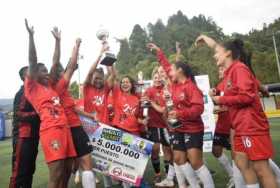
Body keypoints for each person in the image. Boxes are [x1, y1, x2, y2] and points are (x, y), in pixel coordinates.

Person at [195, 35, 278, 188]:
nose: (214, 55)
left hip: (252, 125)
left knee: (261, 169)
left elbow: (247, 96)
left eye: (217, 52)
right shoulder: (229, 72)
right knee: (241, 163)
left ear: (228, 53)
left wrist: (221, 100)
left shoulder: (239, 69)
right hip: (240, 127)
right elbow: (217, 49)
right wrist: (215, 91)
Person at [147, 43, 215, 188]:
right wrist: (159, 52)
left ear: (180, 71)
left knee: (196, 162)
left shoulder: (191, 87)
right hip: (178, 129)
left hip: (192, 129)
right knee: (178, 158)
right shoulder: (174, 83)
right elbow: (166, 66)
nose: (168, 72)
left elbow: (199, 108)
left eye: (172, 69)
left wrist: (179, 113)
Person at [24, 19, 76, 188]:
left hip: (65, 129)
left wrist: (58, 41)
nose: (47, 73)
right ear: (34, 74)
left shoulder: (51, 88)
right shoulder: (32, 87)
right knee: (56, 173)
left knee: (69, 169)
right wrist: (31, 37)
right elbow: (32, 60)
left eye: (47, 71)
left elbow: (55, 62)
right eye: (43, 71)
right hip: (51, 130)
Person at [49, 27, 96, 188]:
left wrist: (90, 116)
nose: (65, 73)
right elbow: (68, 65)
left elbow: (73, 108)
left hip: (73, 128)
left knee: (79, 165)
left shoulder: (62, 90)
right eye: (60, 71)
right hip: (67, 130)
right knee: (74, 166)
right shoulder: (57, 86)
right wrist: (75, 46)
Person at [83, 43, 116, 188]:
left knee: (107, 160)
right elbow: (90, 72)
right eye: (95, 78)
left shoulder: (105, 88)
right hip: (90, 129)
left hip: (106, 128)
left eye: (100, 78)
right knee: (95, 161)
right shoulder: (87, 88)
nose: (97, 80)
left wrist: (108, 55)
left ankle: (109, 183)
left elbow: (113, 75)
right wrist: (100, 53)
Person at [9, 66, 40, 188]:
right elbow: (19, 114)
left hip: (33, 136)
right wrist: (39, 113)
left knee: (29, 170)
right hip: (23, 136)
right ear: (24, 77)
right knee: (18, 173)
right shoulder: (22, 93)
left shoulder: (34, 92)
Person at [141, 67, 172, 184]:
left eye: (159, 77)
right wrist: (144, 103)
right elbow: (144, 106)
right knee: (155, 149)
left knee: (167, 150)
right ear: (152, 79)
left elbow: (163, 109)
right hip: (153, 125)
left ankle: (169, 176)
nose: (157, 80)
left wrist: (151, 102)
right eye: (155, 78)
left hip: (165, 125)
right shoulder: (148, 90)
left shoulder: (166, 90)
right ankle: (158, 174)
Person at [210, 66, 234, 188]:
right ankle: (233, 175)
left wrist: (223, 108)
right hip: (221, 125)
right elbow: (216, 101)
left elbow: (236, 102)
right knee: (216, 150)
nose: (220, 71)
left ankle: (276, 174)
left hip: (233, 125)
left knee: (246, 154)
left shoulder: (233, 82)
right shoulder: (220, 85)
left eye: (222, 69)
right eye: (218, 69)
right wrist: (212, 94)